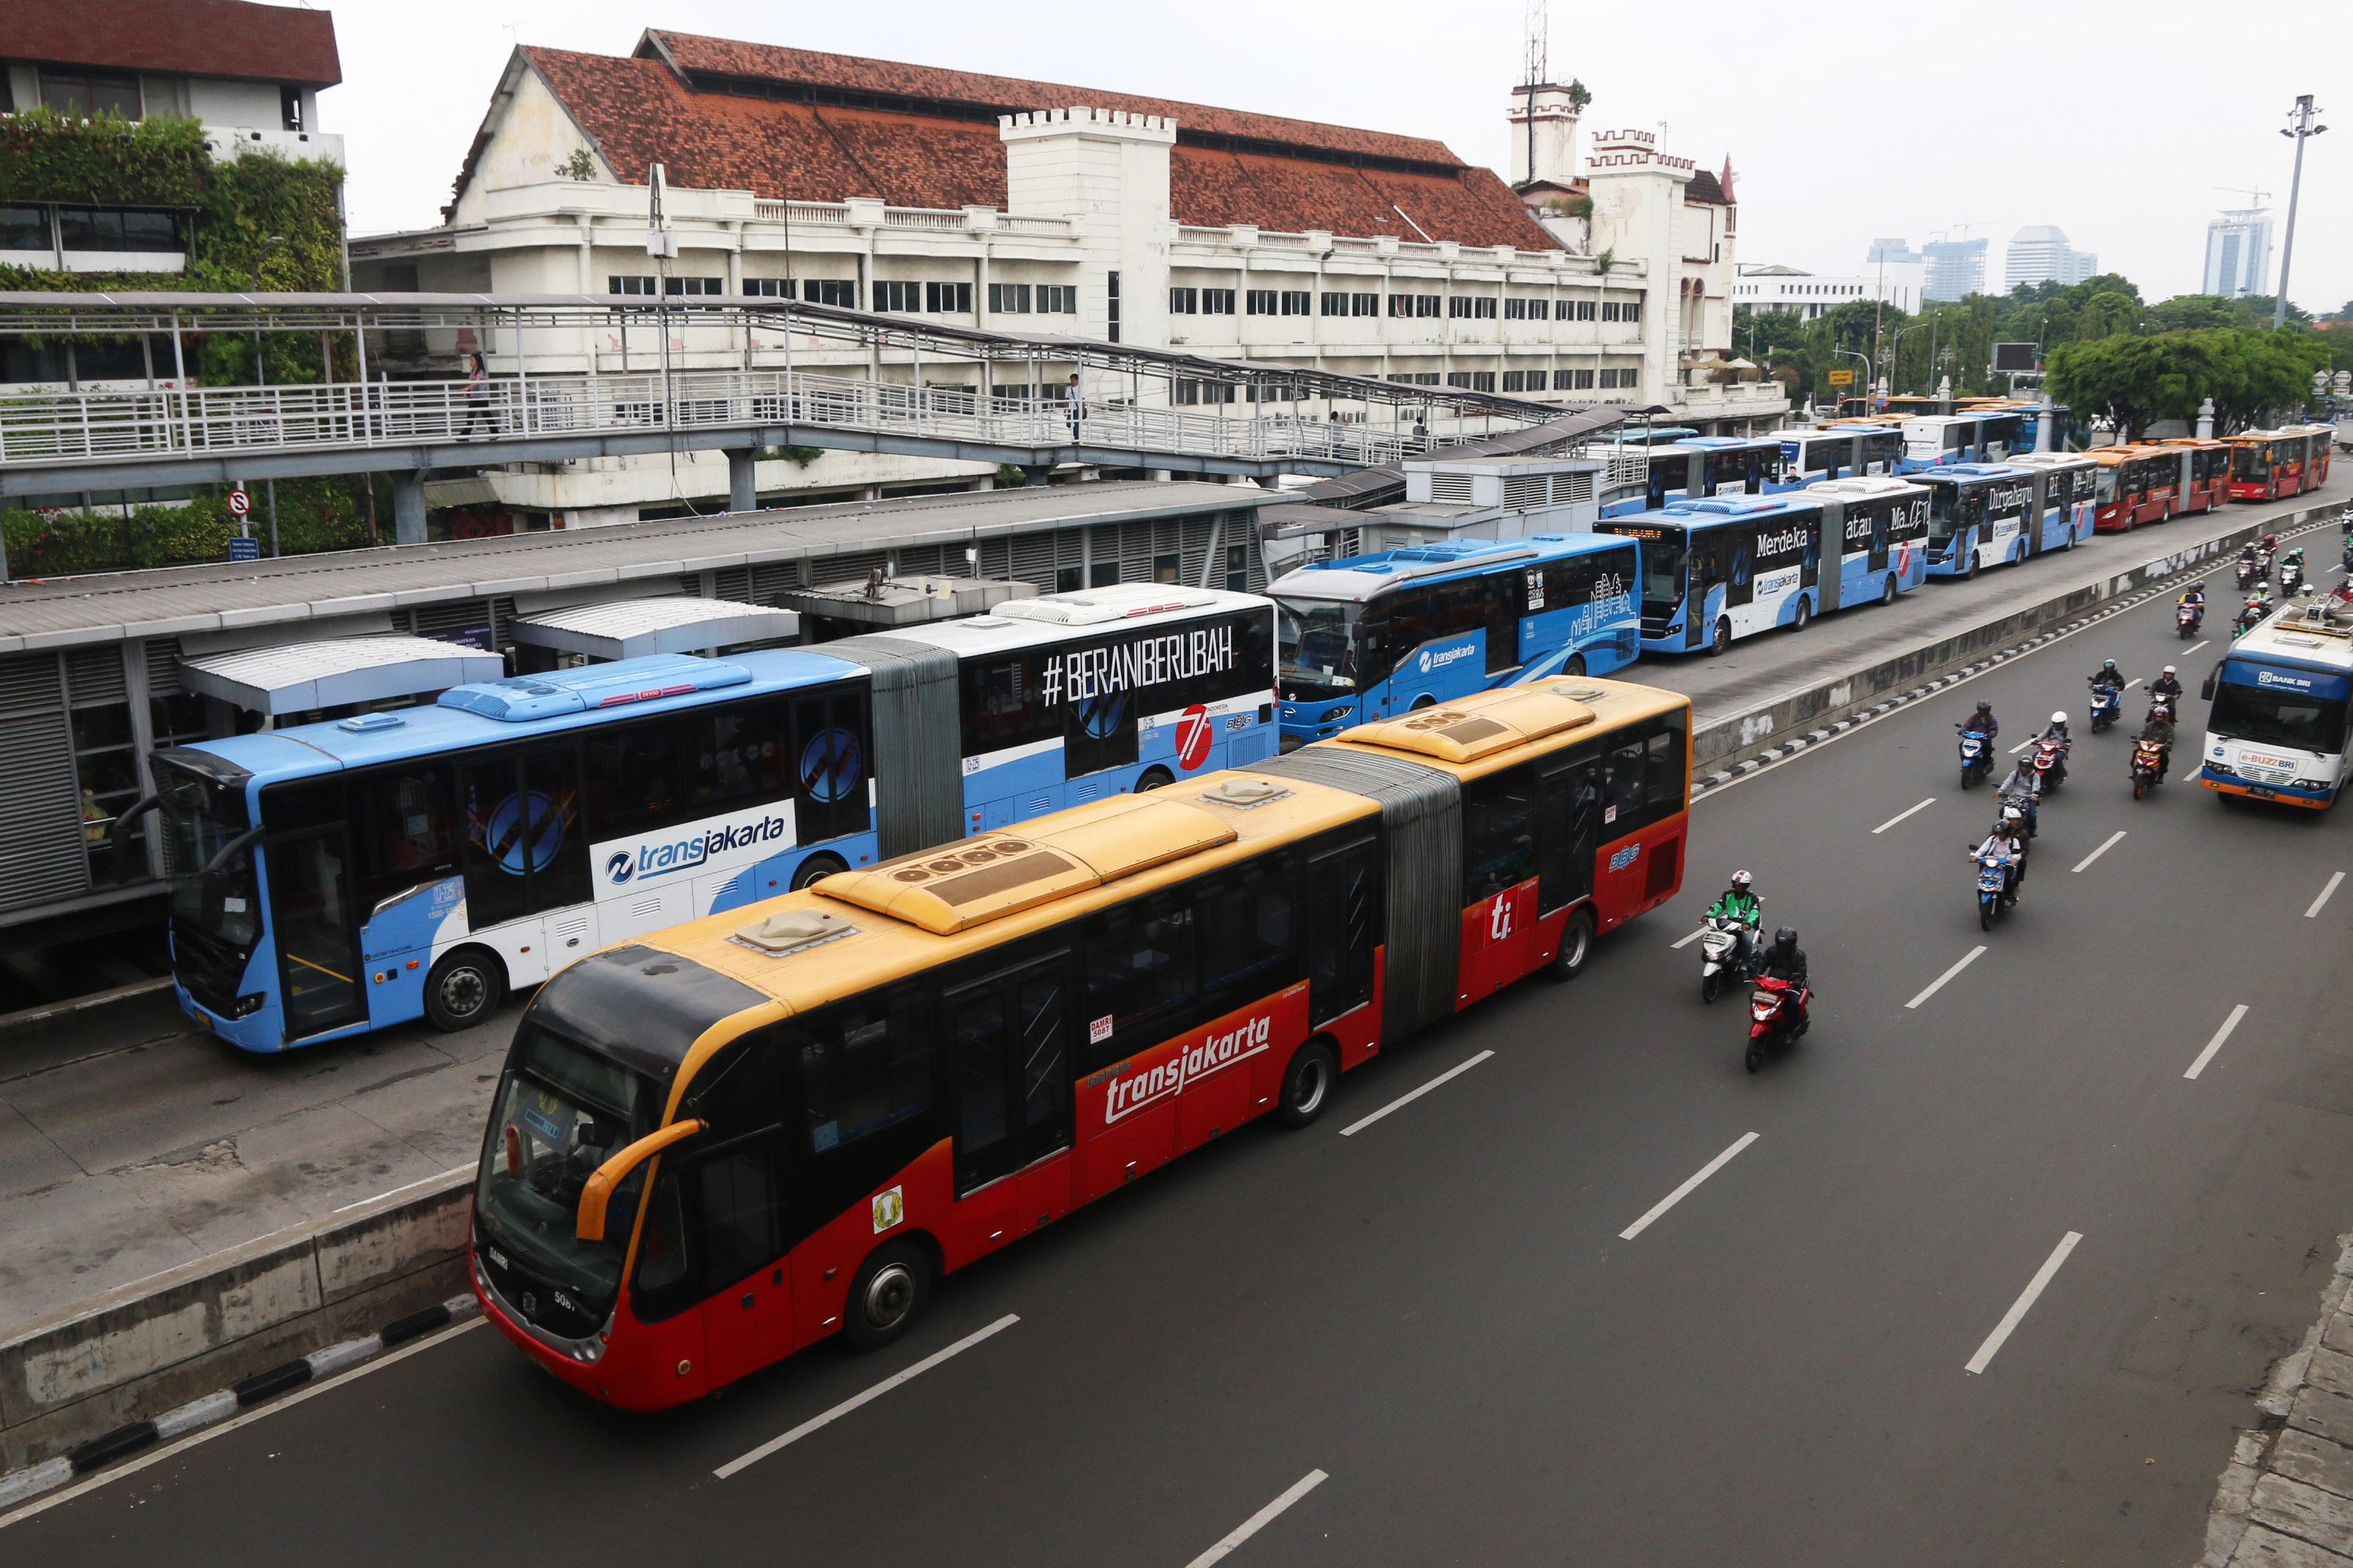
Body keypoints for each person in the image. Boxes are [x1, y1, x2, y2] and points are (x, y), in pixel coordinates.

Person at [1706, 869, 1763, 973]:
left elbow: (1755, 912)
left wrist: (1747, 923)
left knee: (1746, 940)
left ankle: (1744, 965)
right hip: (1731, 923)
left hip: (1747, 925)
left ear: (1747, 886)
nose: (1739, 888)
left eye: (1742, 885)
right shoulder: (1727, 895)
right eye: (1737, 885)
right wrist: (1708, 915)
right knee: (1717, 935)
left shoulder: (1753, 898)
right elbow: (1718, 906)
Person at [1969, 817, 2025, 905]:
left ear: (2007, 832)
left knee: (2008, 879)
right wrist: (1976, 857)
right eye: (1998, 832)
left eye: (2002, 832)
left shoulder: (2014, 842)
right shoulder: (1992, 839)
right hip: (1991, 863)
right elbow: (1982, 850)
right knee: (1983, 876)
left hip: (2006, 865)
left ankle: (2007, 897)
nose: (2000, 834)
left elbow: (2017, 853)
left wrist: (2014, 860)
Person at [1998, 753, 2041, 835]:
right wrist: (2001, 791)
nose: (2025, 768)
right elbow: (2008, 782)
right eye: (2023, 766)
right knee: (2002, 810)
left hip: (2028, 799)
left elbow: (2036, 787)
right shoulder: (2015, 773)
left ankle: (2032, 830)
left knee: (2032, 816)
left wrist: (2034, 796)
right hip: (2015, 798)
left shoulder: (2035, 776)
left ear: (2031, 766)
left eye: (2027, 766)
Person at [2140, 708, 2177, 780]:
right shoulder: (2149, 725)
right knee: (2136, 751)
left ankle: (2161, 775)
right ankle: (2134, 768)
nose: (2158, 719)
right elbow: (2142, 734)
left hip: (2160, 747)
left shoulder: (2169, 727)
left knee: (2164, 758)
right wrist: (2138, 739)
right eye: (2157, 717)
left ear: (2164, 718)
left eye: (2160, 717)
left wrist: (2168, 745)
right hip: (2147, 746)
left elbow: (2171, 738)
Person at [463, 352, 493, 435]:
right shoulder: (472, 371)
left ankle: (495, 433)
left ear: (477, 361)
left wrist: (466, 389)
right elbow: (471, 384)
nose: (470, 362)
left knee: (487, 416)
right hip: (474, 398)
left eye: (472, 360)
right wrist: (467, 393)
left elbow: (476, 382)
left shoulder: (480, 371)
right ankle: (464, 435)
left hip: (481, 398)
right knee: (470, 417)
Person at [1063, 373, 1083, 441]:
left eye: (1073, 380)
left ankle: (1077, 438)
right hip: (1070, 409)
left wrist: (1083, 410)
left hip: (1077, 409)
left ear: (1077, 380)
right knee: (1069, 424)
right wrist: (1065, 409)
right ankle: (1076, 434)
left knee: (1077, 424)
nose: (1072, 382)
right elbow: (1066, 399)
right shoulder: (1069, 389)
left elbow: (1083, 400)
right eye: (1071, 380)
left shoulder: (1080, 388)